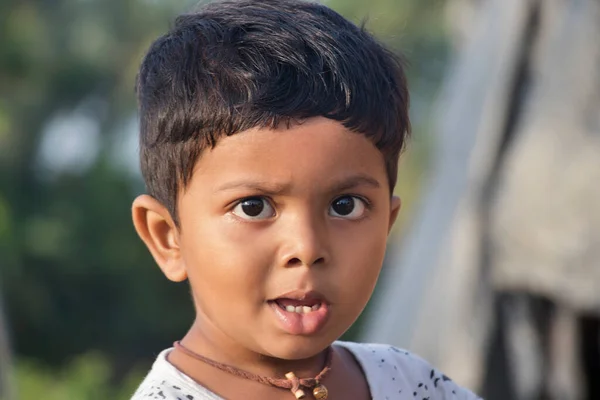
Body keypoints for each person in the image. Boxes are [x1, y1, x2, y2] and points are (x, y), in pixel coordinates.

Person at [130, 1, 482, 399]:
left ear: (388, 222)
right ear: (167, 237)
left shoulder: (410, 381)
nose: (307, 247)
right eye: (253, 207)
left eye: (345, 206)